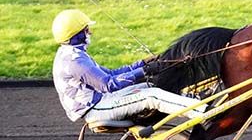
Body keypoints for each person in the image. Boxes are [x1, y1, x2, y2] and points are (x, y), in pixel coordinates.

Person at [51, 9, 206, 124]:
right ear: (76, 34)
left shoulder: (71, 54)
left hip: (100, 100)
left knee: (149, 85)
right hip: (95, 109)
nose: (90, 32)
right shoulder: (75, 61)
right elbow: (109, 85)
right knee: (151, 96)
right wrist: (144, 71)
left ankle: (194, 101)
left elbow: (111, 74)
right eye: (86, 30)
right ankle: (202, 111)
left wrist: (143, 63)